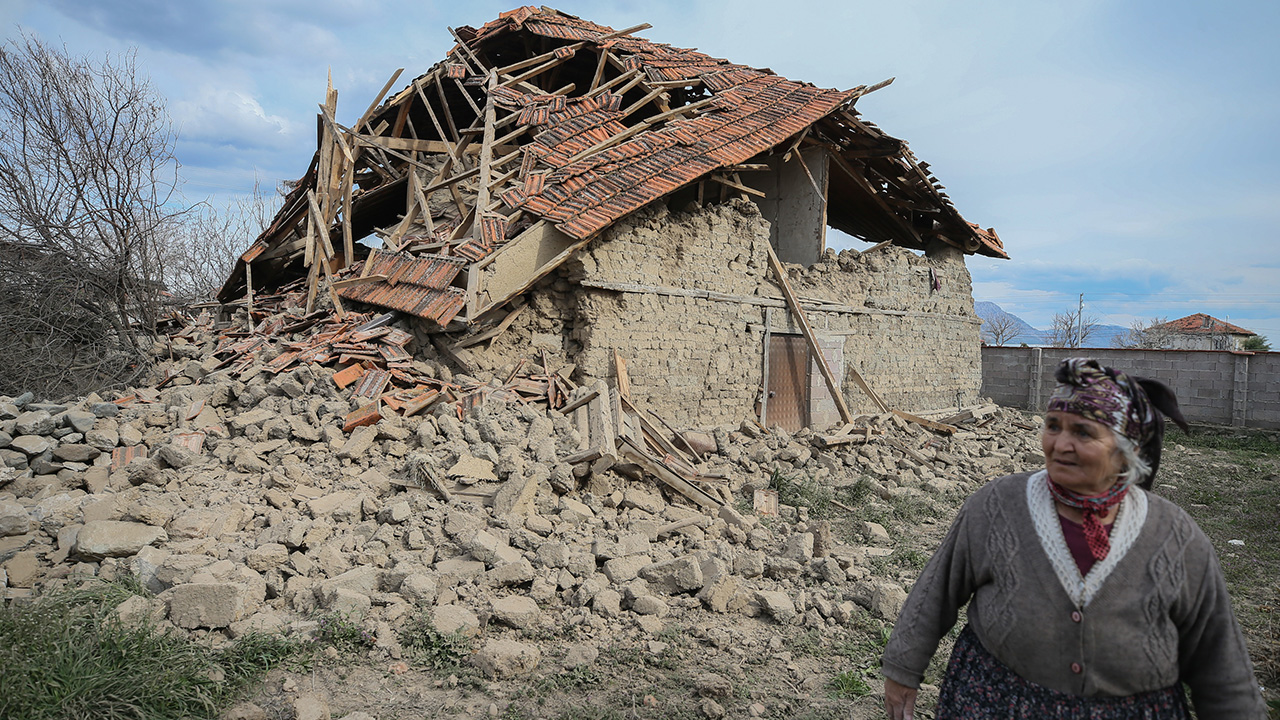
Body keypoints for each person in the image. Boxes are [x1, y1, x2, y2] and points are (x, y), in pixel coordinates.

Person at [880, 358, 1267, 719]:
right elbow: (935, 593)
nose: (1060, 444)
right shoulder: (996, 506)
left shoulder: (1174, 536)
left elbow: (1220, 660)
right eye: (1053, 426)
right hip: (995, 701)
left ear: (1127, 451)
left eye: (1083, 432)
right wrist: (902, 668)